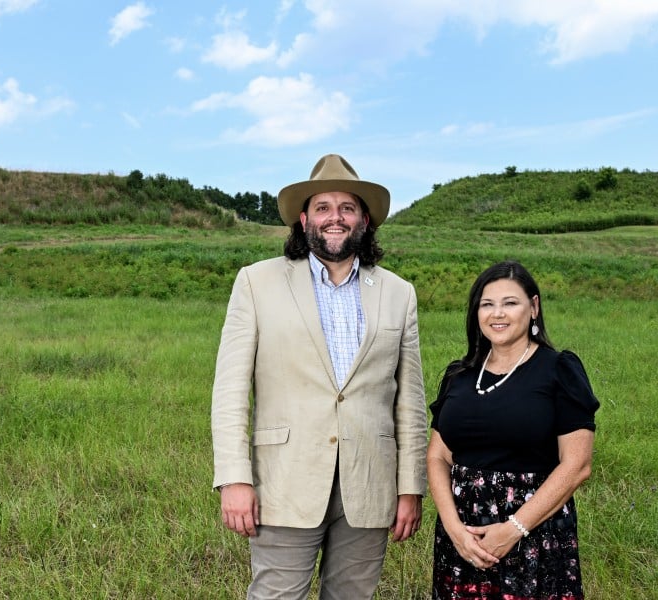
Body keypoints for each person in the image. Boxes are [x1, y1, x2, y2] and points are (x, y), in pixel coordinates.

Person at [211, 154, 427, 599]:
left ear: (363, 220)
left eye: (347, 208)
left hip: (369, 484)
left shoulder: (398, 293)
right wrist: (234, 477)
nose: (336, 218)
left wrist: (411, 486)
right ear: (304, 218)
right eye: (324, 207)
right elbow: (230, 390)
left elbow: (409, 402)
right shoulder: (256, 282)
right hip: (283, 482)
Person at [427, 260, 599, 599]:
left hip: (533, 533)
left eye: (510, 303)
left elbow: (577, 465)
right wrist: (453, 528)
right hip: (463, 540)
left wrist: (513, 529)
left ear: (533, 308)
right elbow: (438, 456)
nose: (497, 314)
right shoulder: (459, 375)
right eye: (487, 304)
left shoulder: (559, 369)